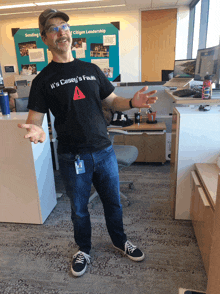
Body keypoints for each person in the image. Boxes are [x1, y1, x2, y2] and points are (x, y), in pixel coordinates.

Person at [17, 8, 158, 278]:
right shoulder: (43, 80)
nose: (62, 32)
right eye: (54, 29)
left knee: (113, 203)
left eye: (65, 27)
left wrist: (131, 103)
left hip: (104, 152)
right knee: (79, 210)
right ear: (44, 38)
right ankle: (84, 249)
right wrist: (37, 131)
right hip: (73, 158)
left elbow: (112, 101)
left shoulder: (91, 69)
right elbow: (35, 118)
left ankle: (119, 241)